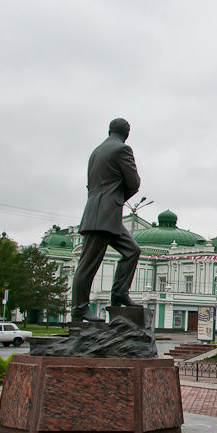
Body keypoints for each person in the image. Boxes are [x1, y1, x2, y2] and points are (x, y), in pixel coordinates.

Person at [71, 118, 143, 322]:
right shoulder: (122, 149)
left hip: (101, 211)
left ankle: (119, 293)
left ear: (110, 130)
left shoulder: (96, 151)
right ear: (127, 133)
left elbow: (90, 185)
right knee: (88, 263)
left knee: (132, 250)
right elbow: (134, 182)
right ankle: (79, 309)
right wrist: (117, 199)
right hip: (104, 213)